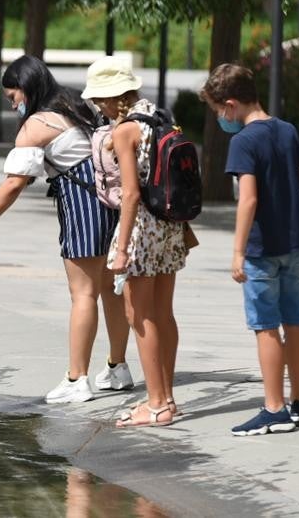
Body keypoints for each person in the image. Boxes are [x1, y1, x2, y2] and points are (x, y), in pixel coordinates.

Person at [0, 56, 132, 404]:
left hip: (82, 205)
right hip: (112, 202)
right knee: (110, 288)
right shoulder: (76, 103)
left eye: (12, 97)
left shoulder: (37, 123)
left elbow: (14, 184)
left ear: (26, 89)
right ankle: (118, 368)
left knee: (83, 294)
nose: (12, 104)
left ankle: (77, 378)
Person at [200, 63, 299, 436]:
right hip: (295, 244)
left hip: (261, 249)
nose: (221, 118)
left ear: (231, 104)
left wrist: (237, 253)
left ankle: (274, 408)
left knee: (266, 326)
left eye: (219, 111)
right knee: (296, 323)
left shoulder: (243, 142)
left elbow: (248, 200)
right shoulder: (286, 130)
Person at [82, 58, 187, 428]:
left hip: (143, 229)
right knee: (163, 313)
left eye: (100, 101)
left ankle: (156, 404)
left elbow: (129, 194)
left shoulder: (126, 130)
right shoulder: (161, 116)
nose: (99, 107)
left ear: (113, 98)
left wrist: (122, 247)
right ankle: (167, 397)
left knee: (138, 316)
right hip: (170, 227)